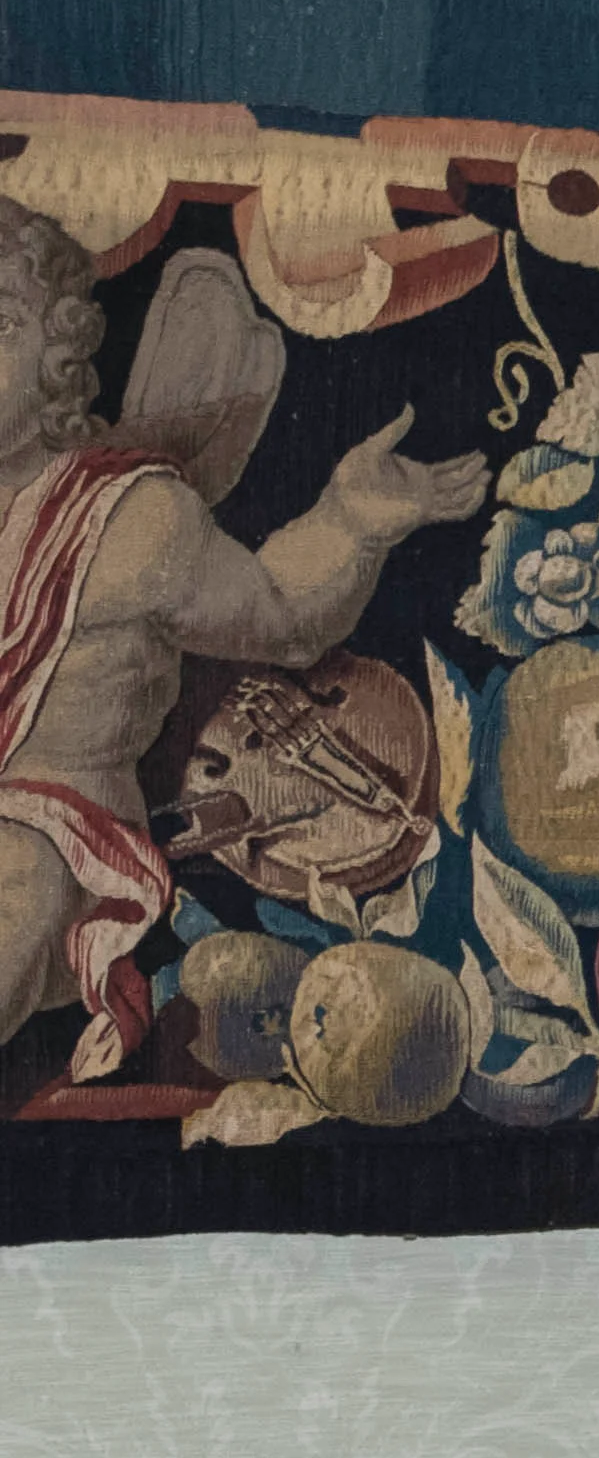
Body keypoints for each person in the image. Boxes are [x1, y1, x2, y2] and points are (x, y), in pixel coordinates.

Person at [0, 195, 485, 1080]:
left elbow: (283, 617)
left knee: (14, 879)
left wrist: (351, 522)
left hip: (55, 845)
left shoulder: (127, 521)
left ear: (59, 355)